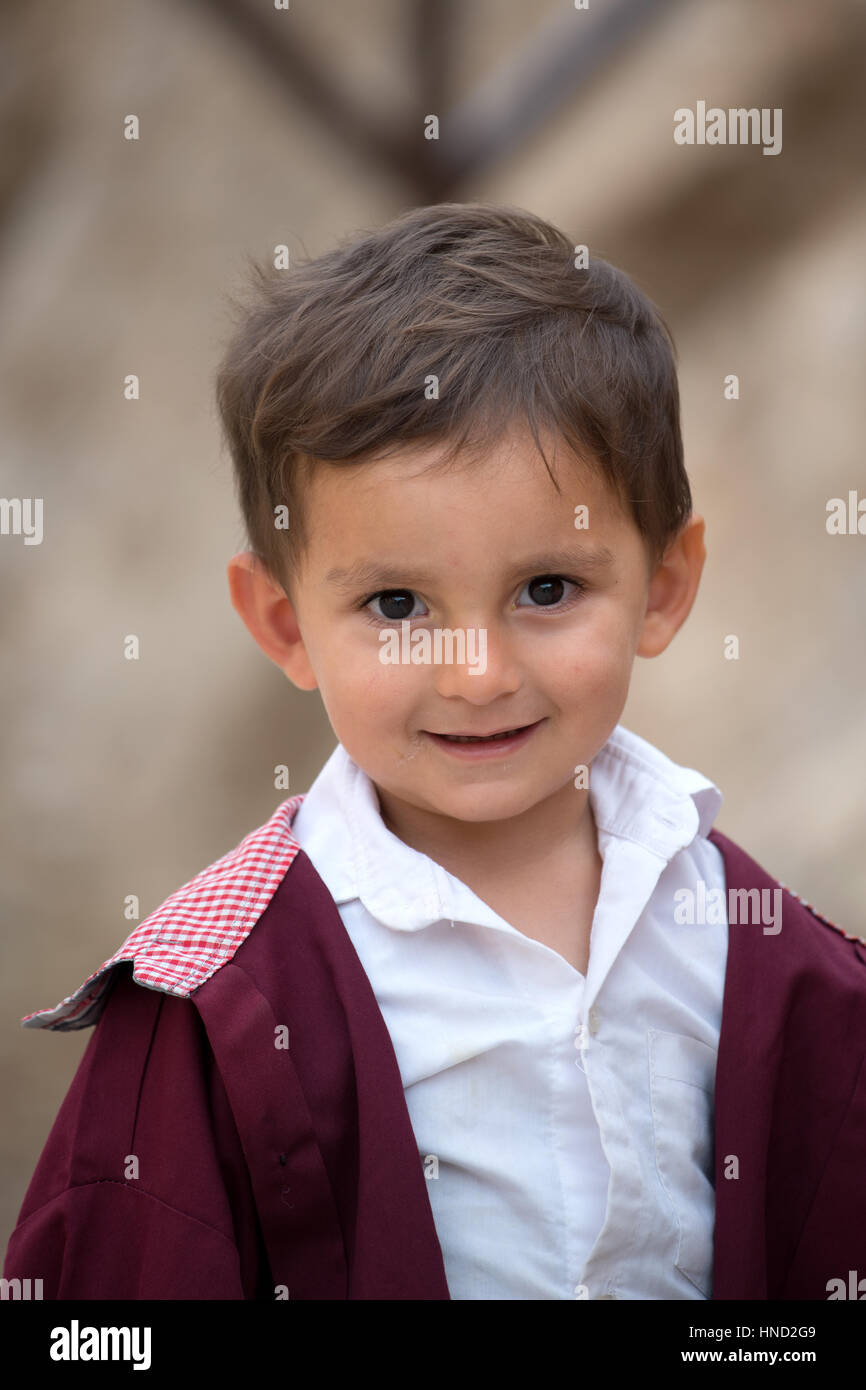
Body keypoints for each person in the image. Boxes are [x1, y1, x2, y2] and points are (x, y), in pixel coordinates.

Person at [5, 203, 866, 1301]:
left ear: (663, 585)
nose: (477, 673)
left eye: (546, 589)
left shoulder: (752, 942)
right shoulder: (219, 1003)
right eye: (397, 603)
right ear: (281, 624)